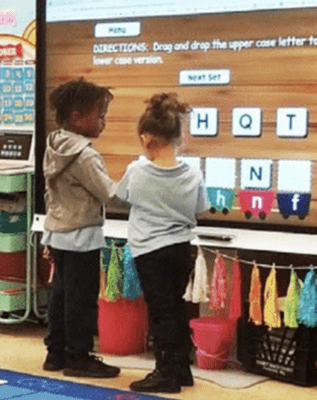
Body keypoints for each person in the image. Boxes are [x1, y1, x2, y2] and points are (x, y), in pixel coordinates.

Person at [115, 93, 210, 393]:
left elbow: (121, 196)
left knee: (161, 312)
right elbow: (201, 207)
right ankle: (181, 369)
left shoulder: (137, 171)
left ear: (146, 138)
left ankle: (165, 373)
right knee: (176, 308)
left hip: (149, 252)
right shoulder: (193, 172)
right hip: (182, 249)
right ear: (178, 137)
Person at [41, 78, 120, 378]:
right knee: (81, 300)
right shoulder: (84, 154)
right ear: (77, 117)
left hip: (58, 231)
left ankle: (56, 353)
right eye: (100, 114)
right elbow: (109, 193)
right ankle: (79, 357)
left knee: (61, 295)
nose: (104, 121)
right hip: (82, 236)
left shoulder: (55, 144)